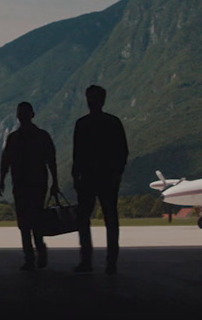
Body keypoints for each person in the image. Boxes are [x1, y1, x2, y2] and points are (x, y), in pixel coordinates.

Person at [71, 84, 128, 274]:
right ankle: (111, 262)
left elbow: (77, 154)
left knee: (84, 219)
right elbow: (123, 151)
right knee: (110, 219)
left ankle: (86, 260)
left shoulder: (82, 123)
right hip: (106, 177)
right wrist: (117, 173)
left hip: (89, 178)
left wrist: (76, 176)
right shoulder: (113, 122)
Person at [0, 102, 59, 270]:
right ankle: (35, 253)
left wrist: (2, 180)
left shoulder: (16, 138)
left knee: (27, 222)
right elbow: (51, 160)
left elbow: (6, 161)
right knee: (28, 221)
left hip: (29, 184)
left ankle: (32, 255)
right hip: (32, 183)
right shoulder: (40, 136)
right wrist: (55, 182)